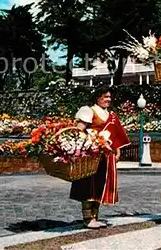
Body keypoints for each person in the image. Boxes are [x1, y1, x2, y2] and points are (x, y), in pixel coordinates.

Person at [70, 86, 131, 229]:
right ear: (97, 97)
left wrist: (117, 151)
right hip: (91, 155)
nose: (108, 99)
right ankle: (87, 218)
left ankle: (95, 216)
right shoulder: (88, 111)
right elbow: (79, 131)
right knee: (88, 185)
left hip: (106, 156)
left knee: (100, 185)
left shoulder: (112, 116)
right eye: (105, 97)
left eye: (109, 97)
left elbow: (115, 135)